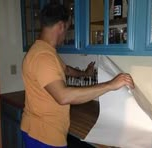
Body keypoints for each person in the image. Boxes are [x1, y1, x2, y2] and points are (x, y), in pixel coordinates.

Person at [21, 2, 135, 148]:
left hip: (35, 129)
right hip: (44, 136)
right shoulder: (43, 57)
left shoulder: (43, 51)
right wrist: (110, 85)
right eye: (67, 28)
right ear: (61, 26)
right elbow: (63, 96)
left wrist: (84, 73)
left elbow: (66, 69)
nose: (65, 34)